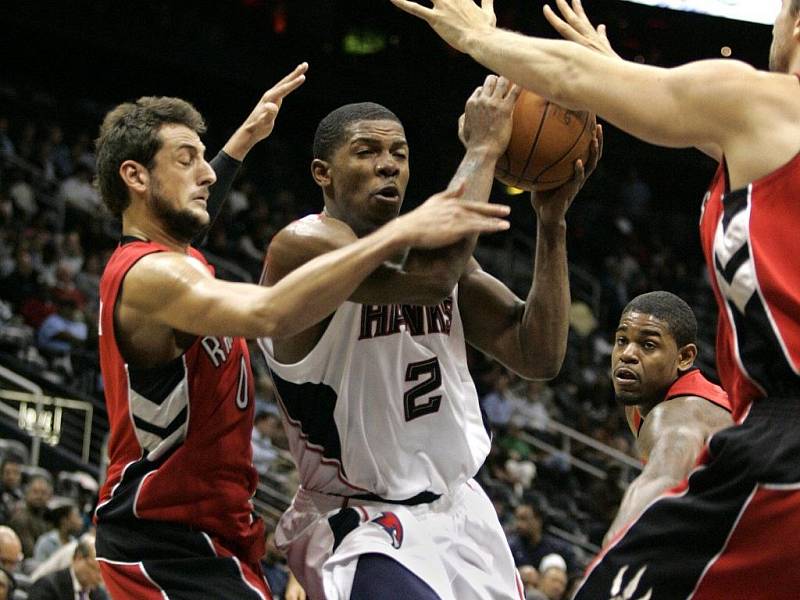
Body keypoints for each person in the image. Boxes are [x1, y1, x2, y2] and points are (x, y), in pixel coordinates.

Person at [392, 0, 800, 596]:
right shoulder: (765, 135)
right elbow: (682, 119)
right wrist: (621, 72)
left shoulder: (763, 100)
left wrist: (479, 36)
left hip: (783, 443)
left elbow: (572, 79)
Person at [91, 66, 511, 600]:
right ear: (135, 177)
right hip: (160, 540)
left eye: (205, 158)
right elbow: (269, 312)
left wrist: (242, 142)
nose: (208, 173)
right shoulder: (152, 275)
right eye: (187, 159)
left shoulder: (177, 257)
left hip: (214, 534)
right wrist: (398, 232)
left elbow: (182, 220)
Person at [259, 74, 601, 599]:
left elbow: (537, 352)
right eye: (366, 151)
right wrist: (485, 147)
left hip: (460, 511)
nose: (388, 162)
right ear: (322, 174)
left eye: (399, 151)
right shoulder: (303, 246)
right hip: (360, 522)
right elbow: (432, 279)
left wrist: (551, 225)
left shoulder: (445, 259)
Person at [607, 291, 732, 544]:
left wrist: (608, 559)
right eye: (622, 340)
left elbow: (663, 479)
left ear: (684, 357)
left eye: (648, 345)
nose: (627, 354)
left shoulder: (678, 413)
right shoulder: (639, 405)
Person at [506, 504, 576, 576]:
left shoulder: (559, 549)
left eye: (524, 519)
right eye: (517, 519)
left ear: (538, 520)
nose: (518, 524)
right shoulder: (510, 547)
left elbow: (574, 575)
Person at [27, 536, 106, 600]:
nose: (100, 578)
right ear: (78, 559)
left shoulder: (98, 593)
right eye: (97, 570)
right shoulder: (48, 587)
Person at [9, 475, 52, 558]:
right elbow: (31, 553)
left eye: (43, 493)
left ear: (50, 496)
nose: (39, 496)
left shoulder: (50, 516)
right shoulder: (21, 518)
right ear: (27, 493)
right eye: (35, 492)